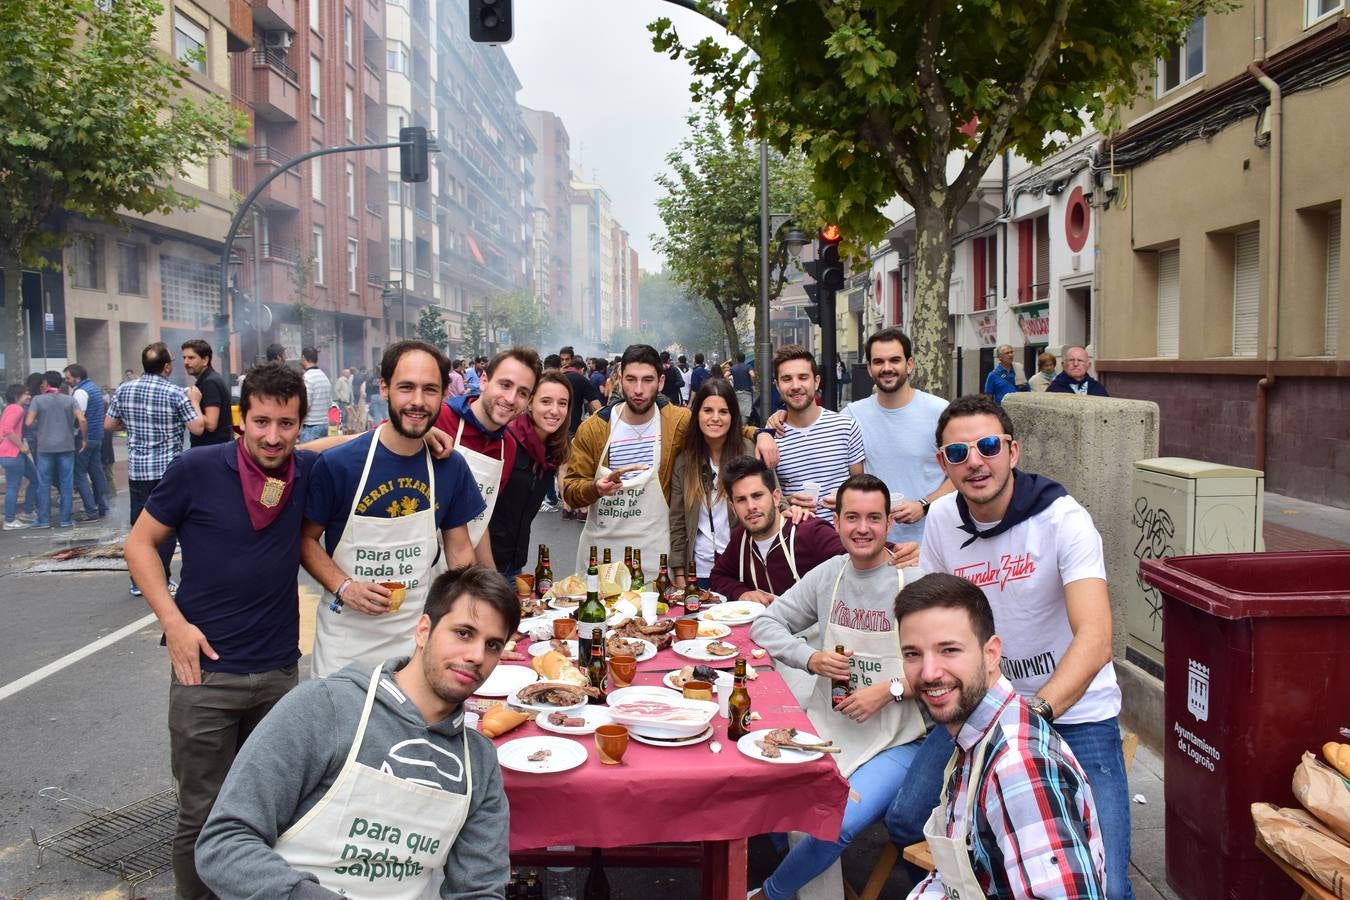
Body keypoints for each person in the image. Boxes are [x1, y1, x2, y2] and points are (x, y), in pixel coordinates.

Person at [886, 393, 1132, 900]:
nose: (975, 461)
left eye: (989, 446)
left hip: (1072, 710)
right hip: (983, 704)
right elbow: (935, 624)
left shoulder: (1064, 519)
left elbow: (1097, 637)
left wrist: (1033, 715)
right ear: (943, 465)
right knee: (908, 822)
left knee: (1105, 882)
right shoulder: (940, 522)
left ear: (1013, 452)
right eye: (958, 453)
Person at [195, 566, 515, 900]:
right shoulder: (325, 708)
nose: (476, 656)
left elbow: (480, 889)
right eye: (464, 633)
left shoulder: (477, 761)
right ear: (423, 631)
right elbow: (223, 843)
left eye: (493, 645)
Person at [125, 362, 314, 900]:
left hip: (278, 673)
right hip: (204, 674)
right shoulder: (196, 468)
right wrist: (173, 622)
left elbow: (347, 448)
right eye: (261, 422)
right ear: (240, 420)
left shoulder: (304, 471)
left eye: (286, 423)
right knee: (201, 814)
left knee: (273, 809)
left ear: (301, 425)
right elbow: (139, 545)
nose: (273, 436)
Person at [747, 474, 926, 900]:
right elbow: (765, 622)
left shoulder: (915, 582)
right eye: (852, 518)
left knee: (838, 823)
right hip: (827, 727)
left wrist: (890, 690)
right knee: (761, 789)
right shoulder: (830, 574)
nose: (862, 528)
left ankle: (771, 893)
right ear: (838, 521)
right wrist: (808, 658)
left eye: (873, 518)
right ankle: (806, 876)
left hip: (897, 739)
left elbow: (947, 667)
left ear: (889, 524)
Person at [895, 573, 1107, 899]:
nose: (929, 672)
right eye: (913, 654)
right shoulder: (972, 737)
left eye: (949, 650)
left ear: (991, 653)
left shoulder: (1017, 763)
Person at [301, 340, 486, 678]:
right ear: (384, 388)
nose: (417, 401)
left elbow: (460, 551)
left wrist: (474, 619)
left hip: (414, 642)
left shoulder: (450, 466)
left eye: (429, 389)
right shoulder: (339, 464)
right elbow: (305, 540)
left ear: (445, 393)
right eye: (406, 387)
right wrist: (345, 587)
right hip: (345, 647)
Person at [107, 342, 206, 595]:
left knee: (139, 527)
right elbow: (197, 428)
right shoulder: (174, 393)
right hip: (167, 471)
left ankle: (137, 581)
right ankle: (159, 580)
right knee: (164, 527)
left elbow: (109, 424)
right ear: (166, 366)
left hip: (138, 470)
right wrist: (195, 401)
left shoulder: (124, 389)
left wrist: (132, 423)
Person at [842, 329, 952, 546]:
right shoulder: (852, 415)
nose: (887, 368)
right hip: (874, 545)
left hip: (930, 543)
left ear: (909, 364)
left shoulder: (940, 412)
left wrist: (923, 505)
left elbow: (960, 475)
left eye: (895, 360)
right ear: (869, 369)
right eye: (878, 361)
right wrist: (768, 427)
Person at [432, 346, 542, 558]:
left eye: (522, 393)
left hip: (458, 567)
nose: (510, 398)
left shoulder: (507, 447)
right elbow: (366, 443)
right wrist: (419, 435)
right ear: (483, 381)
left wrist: (490, 580)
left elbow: (478, 521)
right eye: (505, 385)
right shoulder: (439, 417)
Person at [710, 455, 843, 604]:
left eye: (757, 496)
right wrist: (742, 593)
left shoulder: (810, 531)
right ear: (733, 507)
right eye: (741, 500)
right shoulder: (740, 538)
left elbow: (855, 567)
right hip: (761, 626)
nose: (750, 506)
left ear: (776, 497)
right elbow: (718, 577)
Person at [668, 378, 754, 588]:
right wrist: (680, 574)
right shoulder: (684, 462)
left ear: (732, 416)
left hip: (743, 570)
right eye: (708, 410)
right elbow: (678, 521)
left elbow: (772, 500)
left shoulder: (750, 452)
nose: (715, 418)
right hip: (699, 572)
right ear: (697, 414)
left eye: (723, 412)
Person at [489, 370, 571, 575]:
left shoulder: (551, 451)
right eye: (546, 401)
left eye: (562, 403)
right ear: (530, 403)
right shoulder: (504, 441)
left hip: (515, 562)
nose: (555, 410)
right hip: (485, 566)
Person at [771, 345, 865, 519]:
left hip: (841, 540)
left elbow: (861, 485)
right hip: (796, 540)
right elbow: (767, 498)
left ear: (816, 381)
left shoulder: (846, 427)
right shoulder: (771, 438)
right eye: (786, 379)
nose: (795, 386)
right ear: (777, 385)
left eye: (803, 377)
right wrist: (787, 501)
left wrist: (847, 498)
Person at [27, 370, 86, 529]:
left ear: (46, 383)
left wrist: (40, 425)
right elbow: (81, 419)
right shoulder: (69, 400)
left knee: (43, 483)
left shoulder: (37, 400)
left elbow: (28, 422)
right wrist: (84, 438)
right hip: (66, 446)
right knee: (66, 483)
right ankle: (65, 519)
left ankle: (43, 520)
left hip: (45, 447)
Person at [62, 363, 110, 520]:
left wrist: (80, 437)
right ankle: (103, 506)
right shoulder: (93, 387)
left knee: (80, 473)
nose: (67, 381)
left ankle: (91, 510)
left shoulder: (81, 392)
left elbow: (80, 418)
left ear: (77, 377)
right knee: (96, 471)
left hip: (86, 438)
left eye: (68, 378)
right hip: (97, 436)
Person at [181, 340, 235, 447]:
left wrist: (193, 403)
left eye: (191, 358)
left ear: (205, 360)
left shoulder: (210, 382)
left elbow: (211, 424)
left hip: (213, 451)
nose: (186, 362)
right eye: (184, 358)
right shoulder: (207, 380)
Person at [1, 384, 39, 528]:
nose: (29, 396)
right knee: (13, 486)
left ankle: (27, 512)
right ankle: (10, 520)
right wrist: (21, 446)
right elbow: (8, 430)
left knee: (35, 478)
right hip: (13, 453)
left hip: (10, 453)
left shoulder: (9, 408)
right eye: (26, 394)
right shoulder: (17, 409)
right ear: (18, 396)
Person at [299, 347, 333, 443]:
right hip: (324, 425)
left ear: (303, 358)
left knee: (307, 457)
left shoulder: (307, 378)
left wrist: (300, 425)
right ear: (316, 360)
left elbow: (306, 405)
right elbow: (330, 403)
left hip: (311, 428)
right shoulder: (323, 376)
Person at [729, 351, 755, 420]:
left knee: (738, 412)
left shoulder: (733, 368)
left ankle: (738, 427)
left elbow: (725, 375)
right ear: (744, 359)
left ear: (737, 359)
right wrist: (752, 384)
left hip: (736, 393)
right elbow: (752, 375)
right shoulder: (748, 367)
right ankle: (742, 428)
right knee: (745, 414)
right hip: (746, 393)